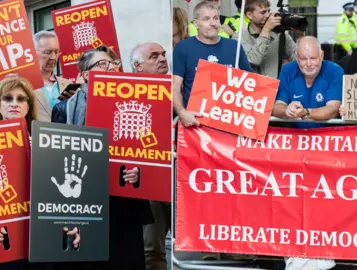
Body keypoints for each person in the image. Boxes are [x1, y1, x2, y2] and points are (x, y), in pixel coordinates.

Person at [52, 46, 153, 270]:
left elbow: (150, 147)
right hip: (84, 197)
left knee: (127, 259)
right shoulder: (64, 108)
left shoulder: (137, 101)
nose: (110, 67)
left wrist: (139, 171)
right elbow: (57, 158)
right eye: (102, 64)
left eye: (112, 63)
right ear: (86, 74)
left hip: (123, 196)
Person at [0, 77, 73, 270]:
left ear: (28, 106)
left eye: (21, 99)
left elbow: (57, 189)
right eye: (8, 98)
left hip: (42, 235)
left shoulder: (47, 143)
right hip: (2, 238)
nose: (15, 103)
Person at [173, 0, 253, 127]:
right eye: (206, 19)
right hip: (196, 122)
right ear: (196, 24)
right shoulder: (183, 47)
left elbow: (251, 84)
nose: (212, 23)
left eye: (215, 18)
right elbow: (175, 86)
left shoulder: (234, 46)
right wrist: (182, 113)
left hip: (229, 122)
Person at [129, 44, 170, 270]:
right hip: (149, 180)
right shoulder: (126, 92)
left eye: (163, 54)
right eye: (154, 56)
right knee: (152, 248)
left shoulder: (180, 87)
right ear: (137, 66)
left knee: (191, 246)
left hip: (181, 176)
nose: (162, 59)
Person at [272, 36, 343, 129]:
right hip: (295, 136)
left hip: (326, 137)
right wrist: (287, 110)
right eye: (303, 59)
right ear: (296, 57)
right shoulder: (287, 70)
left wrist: (306, 113)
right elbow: (277, 107)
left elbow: (333, 109)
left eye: (313, 58)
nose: (309, 64)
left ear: (321, 56)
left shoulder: (334, 71)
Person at [234, 0, 300, 78]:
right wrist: (267, 29)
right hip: (254, 87)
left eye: (268, 11)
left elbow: (298, 60)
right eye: (263, 12)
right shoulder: (239, 38)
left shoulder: (279, 35)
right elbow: (254, 60)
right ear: (249, 15)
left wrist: (300, 37)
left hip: (279, 88)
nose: (267, 15)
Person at [33, 31, 72, 122]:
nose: (54, 57)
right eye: (48, 52)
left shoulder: (68, 85)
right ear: (32, 52)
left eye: (56, 52)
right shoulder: (21, 85)